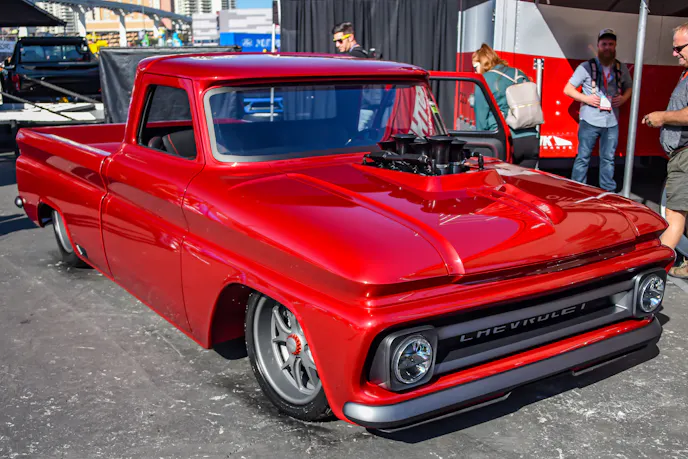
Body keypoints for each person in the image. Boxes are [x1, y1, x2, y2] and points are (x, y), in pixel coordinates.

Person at [642, 22, 688, 278]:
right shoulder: (685, 73)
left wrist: (662, 117)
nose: (674, 53)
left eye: (679, 48)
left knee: (675, 213)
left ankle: (653, 272)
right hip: (681, 154)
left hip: (686, 155)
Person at [563, 28, 633, 192]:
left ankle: (608, 192)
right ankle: (577, 189)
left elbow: (630, 87)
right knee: (583, 157)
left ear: (615, 46)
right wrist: (586, 98)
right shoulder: (586, 67)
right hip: (589, 121)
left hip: (611, 122)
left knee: (608, 158)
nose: (607, 47)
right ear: (598, 46)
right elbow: (568, 89)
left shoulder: (620, 67)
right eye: (604, 44)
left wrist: (623, 98)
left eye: (611, 44)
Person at [472, 44, 539, 168]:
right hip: (530, 139)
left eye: (475, 67)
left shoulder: (484, 79)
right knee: (524, 179)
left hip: (504, 141)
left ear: (483, 63)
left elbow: (481, 120)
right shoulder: (518, 73)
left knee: (498, 179)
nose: (475, 71)